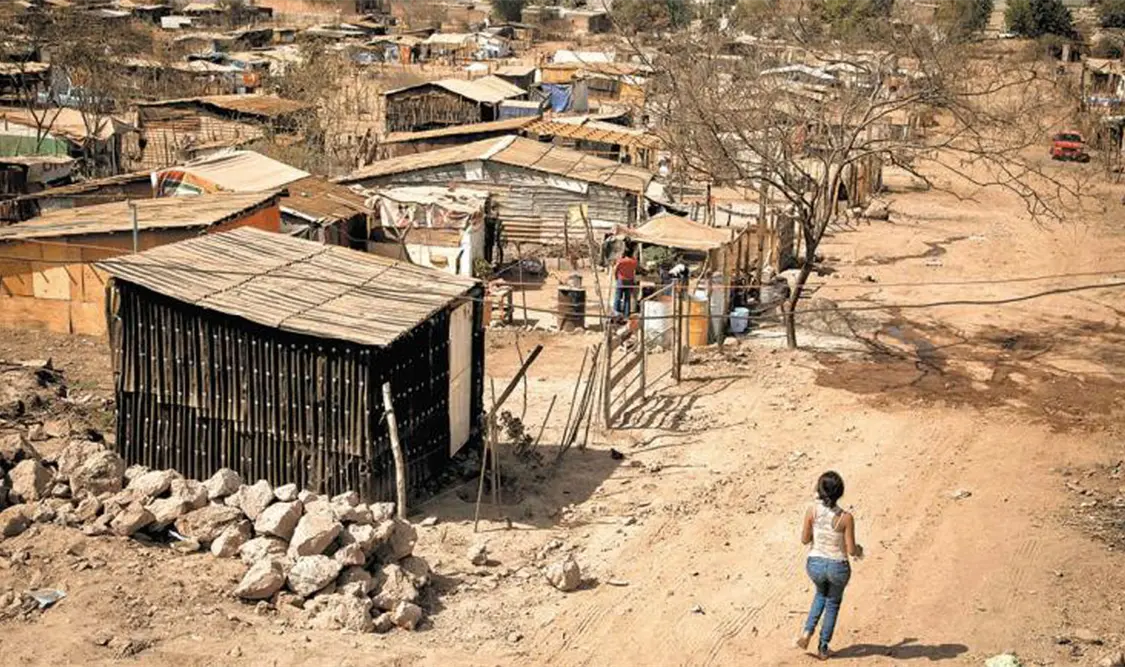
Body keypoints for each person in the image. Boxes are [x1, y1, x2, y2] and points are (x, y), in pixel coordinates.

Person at [798, 471, 863, 660]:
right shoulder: (846, 518)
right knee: (832, 603)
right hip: (837, 566)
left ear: (819, 490)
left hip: (815, 563)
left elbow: (804, 539)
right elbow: (851, 550)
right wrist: (859, 550)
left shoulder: (812, 511)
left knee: (820, 594)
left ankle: (806, 632)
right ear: (840, 492)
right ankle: (823, 647)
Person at [613, 246, 639, 318]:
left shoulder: (621, 261)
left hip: (621, 280)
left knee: (618, 297)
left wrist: (616, 278)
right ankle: (626, 314)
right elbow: (636, 269)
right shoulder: (634, 261)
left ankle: (616, 313)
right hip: (630, 281)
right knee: (627, 298)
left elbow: (615, 269)